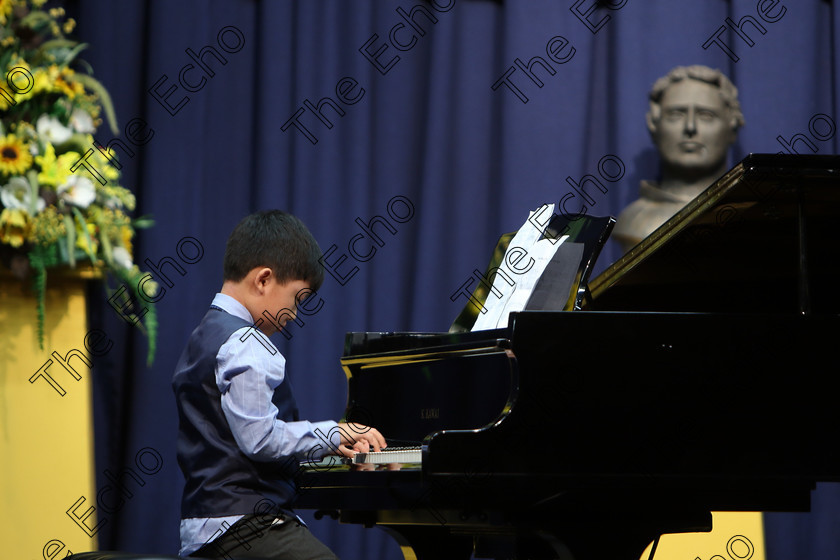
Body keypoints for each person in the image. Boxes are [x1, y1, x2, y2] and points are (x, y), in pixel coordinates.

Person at [172, 210, 386, 560]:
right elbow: (260, 440)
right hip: (243, 526)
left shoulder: (205, 334)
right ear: (264, 280)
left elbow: (235, 438)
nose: (295, 315)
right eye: (298, 298)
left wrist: (329, 449)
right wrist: (336, 432)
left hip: (206, 526)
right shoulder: (246, 343)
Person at [612, 65, 746, 252]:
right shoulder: (633, 221)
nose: (690, 127)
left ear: (732, 127)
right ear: (653, 125)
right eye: (676, 114)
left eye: (706, 115)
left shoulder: (750, 215)